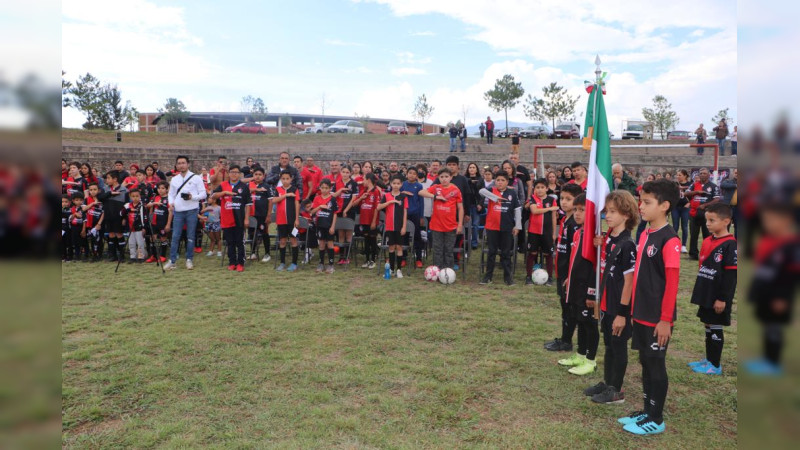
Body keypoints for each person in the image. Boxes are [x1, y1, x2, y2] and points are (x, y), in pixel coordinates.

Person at [619, 178, 680, 436]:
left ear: (664, 206)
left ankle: (656, 418)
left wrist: (665, 319)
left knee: (656, 365)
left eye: (647, 202)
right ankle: (647, 409)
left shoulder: (670, 240)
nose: (641, 207)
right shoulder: (644, 233)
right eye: (641, 201)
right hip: (641, 314)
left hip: (658, 319)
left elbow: (672, 284)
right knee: (645, 361)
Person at [583, 190, 638, 404]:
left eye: (613, 212)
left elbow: (629, 282)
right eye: (607, 211)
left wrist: (622, 314)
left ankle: (617, 391)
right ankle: (607, 382)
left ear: (626, 215)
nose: (608, 215)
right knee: (608, 344)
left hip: (619, 306)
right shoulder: (608, 238)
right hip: (605, 303)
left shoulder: (627, 244)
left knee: (618, 346)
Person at [744, 203, 798, 376]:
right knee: (766, 324)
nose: (768, 223)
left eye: (773, 220)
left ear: (787, 221)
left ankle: (773, 362)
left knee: (774, 327)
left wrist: (782, 298)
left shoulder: (792, 246)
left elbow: (791, 277)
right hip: (765, 293)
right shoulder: (769, 240)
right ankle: (766, 359)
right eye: (766, 220)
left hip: (778, 296)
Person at [688, 203, 737, 375]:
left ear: (726, 221)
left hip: (718, 296)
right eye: (706, 220)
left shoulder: (731, 245)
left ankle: (715, 365)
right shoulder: (709, 240)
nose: (707, 223)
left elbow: (731, 276)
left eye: (712, 220)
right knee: (708, 323)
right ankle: (708, 359)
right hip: (706, 292)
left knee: (716, 326)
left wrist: (722, 298)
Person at [557, 193, 599, 376]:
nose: (577, 213)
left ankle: (591, 359)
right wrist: (569, 278)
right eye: (576, 209)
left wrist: (591, 293)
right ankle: (580, 354)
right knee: (580, 322)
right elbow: (575, 260)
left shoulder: (593, 236)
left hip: (586, 289)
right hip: (575, 286)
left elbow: (594, 266)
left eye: (582, 210)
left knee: (589, 324)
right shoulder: (578, 232)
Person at [165, 155, 207, 271]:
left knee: (190, 236)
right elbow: (171, 194)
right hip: (178, 211)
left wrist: (192, 197)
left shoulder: (196, 178)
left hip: (192, 210)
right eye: (179, 163)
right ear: (176, 165)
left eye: (183, 163)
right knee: (175, 236)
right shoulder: (174, 179)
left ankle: (189, 259)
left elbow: (203, 194)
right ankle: (172, 261)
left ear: (188, 164)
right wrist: (171, 203)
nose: (181, 165)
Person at [479, 172, 521, 285]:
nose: (500, 182)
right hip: (492, 227)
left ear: (507, 182)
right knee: (491, 252)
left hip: (507, 227)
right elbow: (481, 191)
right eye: (498, 180)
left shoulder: (512, 192)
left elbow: (517, 209)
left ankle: (508, 278)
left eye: (503, 180)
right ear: (495, 181)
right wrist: (495, 198)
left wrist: (517, 226)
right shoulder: (491, 190)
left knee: (506, 253)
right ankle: (488, 277)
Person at [419, 168, 464, 270]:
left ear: (451, 177)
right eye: (442, 177)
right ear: (438, 177)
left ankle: (448, 270)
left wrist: (460, 224)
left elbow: (460, 208)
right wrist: (435, 197)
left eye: (446, 177)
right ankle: (437, 270)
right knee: (437, 249)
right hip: (436, 225)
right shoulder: (435, 187)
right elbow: (421, 192)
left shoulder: (455, 190)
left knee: (448, 250)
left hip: (450, 225)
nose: (444, 179)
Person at [212, 165, 251, 272]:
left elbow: (248, 204)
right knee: (230, 242)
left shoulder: (244, 187)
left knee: (239, 242)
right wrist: (224, 193)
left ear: (239, 174)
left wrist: (246, 219)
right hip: (226, 219)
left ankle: (240, 263)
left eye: (237, 172)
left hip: (239, 219)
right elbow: (213, 196)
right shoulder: (223, 185)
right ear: (229, 173)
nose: (234, 174)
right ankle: (232, 262)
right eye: (232, 172)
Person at [345, 173, 382, 269]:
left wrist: (374, 222)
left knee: (372, 240)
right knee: (366, 241)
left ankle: (373, 260)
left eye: (364, 179)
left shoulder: (376, 192)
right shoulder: (364, 191)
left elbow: (376, 208)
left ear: (369, 180)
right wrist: (361, 198)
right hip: (364, 220)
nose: (363, 181)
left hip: (372, 221)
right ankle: (367, 260)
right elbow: (354, 204)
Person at [526, 178, 558, 286]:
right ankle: (529, 276)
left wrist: (554, 233)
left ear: (547, 188)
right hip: (533, 231)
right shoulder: (533, 198)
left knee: (548, 254)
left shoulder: (551, 200)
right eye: (537, 187)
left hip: (547, 232)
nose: (540, 190)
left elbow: (554, 218)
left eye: (542, 187)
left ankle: (549, 277)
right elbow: (534, 211)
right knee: (532, 253)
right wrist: (549, 209)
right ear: (535, 189)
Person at [376, 175, 408, 278]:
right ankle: (391, 269)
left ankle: (399, 269)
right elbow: (378, 207)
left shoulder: (403, 197)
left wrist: (404, 226)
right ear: (390, 184)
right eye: (394, 183)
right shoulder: (386, 196)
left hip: (399, 227)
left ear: (401, 185)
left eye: (398, 183)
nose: (396, 185)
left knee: (399, 247)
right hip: (389, 226)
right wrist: (390, 202)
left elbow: (405, 212)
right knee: (391, 247)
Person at [686, 168, 721, 260]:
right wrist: (697, 192)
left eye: (704, 173)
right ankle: (693, 254)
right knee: (693, 235)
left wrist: (705, 205)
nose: (702, 175)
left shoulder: (713, 186)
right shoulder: (694, 184)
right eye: (701, 173)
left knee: (707, 235)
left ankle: (707, 255)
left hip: (707, 214)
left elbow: (717, 199)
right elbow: (686, 193)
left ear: (709, 175)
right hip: (694, 213)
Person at [96, 170, 128, 262]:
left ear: (115, 179)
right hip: (108, 215)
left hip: (118, 216)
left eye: (109, 178)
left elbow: (126, 206)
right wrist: (110, 193)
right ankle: (112, 255)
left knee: (119, 234)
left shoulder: (124, 190)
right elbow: (99, 198)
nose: (106, 180)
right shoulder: (106, 189)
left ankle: (121, 255)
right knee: (111, 234)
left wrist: (124, 218)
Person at [310, 178, 339, 274]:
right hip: (320, 225)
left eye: (326, 188)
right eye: (322, 188)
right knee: (321, 244)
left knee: (330, 244)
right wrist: (319, 207)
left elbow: (335, 213)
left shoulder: (333, 199)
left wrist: (333, 226)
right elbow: (312, 212)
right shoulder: (317, 198)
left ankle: (331, 264)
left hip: (329, 225)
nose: (324, 190)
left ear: (330, 188)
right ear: (319, 188)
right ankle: (321, 263)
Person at [273, 171, 300, 271]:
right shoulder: (277, 189)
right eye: (283, 179)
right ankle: (282, 263)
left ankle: (294, 263)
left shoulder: (294, 189)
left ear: (291, 179)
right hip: (281, 220)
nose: (285, 180)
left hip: (292, 220)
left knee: (293, 240)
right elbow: (274, 200)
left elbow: (297, 204)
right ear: (281, 179)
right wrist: (285, 195)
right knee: (282, 241)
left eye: (287, 178)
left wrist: (297, 218)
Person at [333, 165, 359, 265]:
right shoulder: (337, 183)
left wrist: (346, 210)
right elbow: (332, 196)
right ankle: (341, 257)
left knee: (348, 234)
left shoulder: (354, 183)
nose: (345, 174)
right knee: (340, 234)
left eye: (347, 172)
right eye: (343, 172)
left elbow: (353, 199)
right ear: (341, 172)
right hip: (339, 211)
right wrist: (340, 191)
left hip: (350, 211)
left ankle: (347, 257)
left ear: (350, 173)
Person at [248, 167, 273, 263]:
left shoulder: (267, 187)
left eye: (260, 175)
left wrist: (269, 215)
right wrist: (255, 189)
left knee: (264, 233)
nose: (257, 176)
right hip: (251, 214)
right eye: (256, 174)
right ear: (253, 175)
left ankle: (267, 253)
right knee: (251, 234)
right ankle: (253, 252)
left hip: (262, 215)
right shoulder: (249, 185)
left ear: (263, 176)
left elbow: (270, 202)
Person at [401, 167, 424, 268]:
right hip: (404, 214)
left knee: (417, 237)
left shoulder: (419, 186)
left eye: (414, 173)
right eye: (410, 173)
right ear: (406, 174)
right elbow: (397, 196)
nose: (412, 175)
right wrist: (403, 193)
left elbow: (421, 202)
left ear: (416, 175)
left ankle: (418, 258)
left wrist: (421, 216)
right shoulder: (402, 184)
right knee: (404, 236)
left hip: (415, 214)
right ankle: (403, 258)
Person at [145, 181, 172, 263]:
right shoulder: (155, 197)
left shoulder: (169, 199)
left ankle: (162, 255)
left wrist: (168, 224)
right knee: (153, 238)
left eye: (163, 188)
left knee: (163, 238)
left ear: (167, 189)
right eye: (159, 188)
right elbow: (148, 205)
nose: (160, 190)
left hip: (163, 222)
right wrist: (155, 203)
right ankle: (153, 255)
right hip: (154, 222)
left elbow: (171, 212)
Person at [122, 189, 147, 263]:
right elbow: (121, 213)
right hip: (130, 227)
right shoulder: (127, 205)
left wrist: (144, 227)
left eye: (137, 196)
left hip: (139, 227)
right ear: (130, 196)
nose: (135, 198)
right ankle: (132, 256)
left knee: (140, 243)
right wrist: (127, 211)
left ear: (140, 196)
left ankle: (141, 256)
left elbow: (145, 218)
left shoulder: (142, 206)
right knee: (131, 243)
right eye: (133, 196)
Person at [83, 183, 105, 262]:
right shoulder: (87, 199)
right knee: (92, 239)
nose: (93, 191)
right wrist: (92, 203)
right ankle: (94, 255)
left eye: (95, 189)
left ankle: (100, 254)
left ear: (98, 190)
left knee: (99, 239)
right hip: (90, 223)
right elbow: (83, 209)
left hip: (99, 223)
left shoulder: (102, 199)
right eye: (91, 190)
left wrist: (99, 223)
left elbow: (104, 212)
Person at [672, 169, 692, 253]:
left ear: (685, 176)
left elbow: (693, 196)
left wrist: (689, 203)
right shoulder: (674, 184)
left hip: (685, 208)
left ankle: (683, 245)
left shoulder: (690, 184)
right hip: (675, 207)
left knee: (684, 226)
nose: (678, 176)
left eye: (680, 175)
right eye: (677, 175)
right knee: (675, 226)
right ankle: (674, 244)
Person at [465, 163, 483, 250]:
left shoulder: (480, 179)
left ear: (476, 169)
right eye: (470, 167)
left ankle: (474, 243)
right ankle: (466, 241)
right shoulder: (464, 179)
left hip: (476, 205)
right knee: (466, 224)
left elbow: (482, 193)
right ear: (468, 169)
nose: (472, 169)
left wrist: (480, 204)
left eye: (473, 167)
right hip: (467, 205)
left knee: (475, 224)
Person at [69, 193, 88, 261]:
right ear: (73, 201)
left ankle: (86, 255)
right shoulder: (71, 209)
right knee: (76, 242)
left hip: (82, 226)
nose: (79, 201)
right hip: (74, 227)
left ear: (83, 200)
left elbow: (85, 220)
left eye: (80, 200)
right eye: (76, 200)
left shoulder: (83, 208)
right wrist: (74, 214)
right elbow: (70, 219)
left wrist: (83, 230)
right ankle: (77, 255)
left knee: (84, 241)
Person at [719, 168, 738, 239]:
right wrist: (736, 185)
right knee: (726, 225)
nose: (737, 174)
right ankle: (725, 241)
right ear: (733, 173)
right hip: (728, 207)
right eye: (736, 173)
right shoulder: (728, 181)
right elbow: (722, 185)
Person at [61, 195, 73, 261]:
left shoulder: (70, 210)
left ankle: (70, 256)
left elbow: (68, 214)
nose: (64, 203)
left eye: (66, 202)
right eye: (62, 202)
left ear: (69, 203)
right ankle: (63, 255)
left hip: (68, 229)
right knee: (62, 243)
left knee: (69, 243)